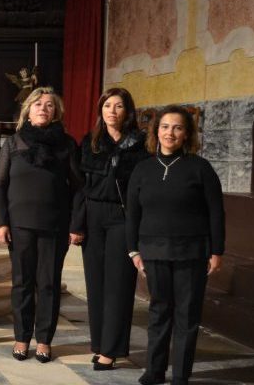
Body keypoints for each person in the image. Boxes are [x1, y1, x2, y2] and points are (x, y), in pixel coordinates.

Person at [127, 106, 224, 385]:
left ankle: (181, 374)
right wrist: (133, 250)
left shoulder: (200, 168)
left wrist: (216, 251)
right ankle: (154, 370)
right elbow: (132, 213)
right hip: (153, 251)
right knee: (158, 311)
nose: (170, 132)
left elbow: (216, 212)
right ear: (156, 131)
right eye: (165, 126)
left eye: (178, 127)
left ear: (186, 134)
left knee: (187, 315)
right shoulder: (143, 169)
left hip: (192, 252)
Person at [0, 87, 83, 363]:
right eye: (38, 104)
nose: (43, 108)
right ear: (28, 110)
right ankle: (21, 337)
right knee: (22, 283)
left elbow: (78, 187)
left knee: (49, 284)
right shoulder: (13, 143)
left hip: (55, 224)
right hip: (19, 225)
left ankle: (44, 340)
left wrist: (76, 225)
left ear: (56, 113)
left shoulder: (66, 144)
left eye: (49, 105)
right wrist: (0, 222)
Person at [75, 88, 150, 370]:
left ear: (127, 111)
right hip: (94, 215)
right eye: (107, 106)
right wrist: (77, 223)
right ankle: (100, 343)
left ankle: (112, 349)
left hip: (123, 216)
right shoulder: (90, 142)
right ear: (100, 110)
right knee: (96, 284)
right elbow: (81, 188)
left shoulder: (140, 144)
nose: (112, 111)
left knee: (119, 284)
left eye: (118, 106)